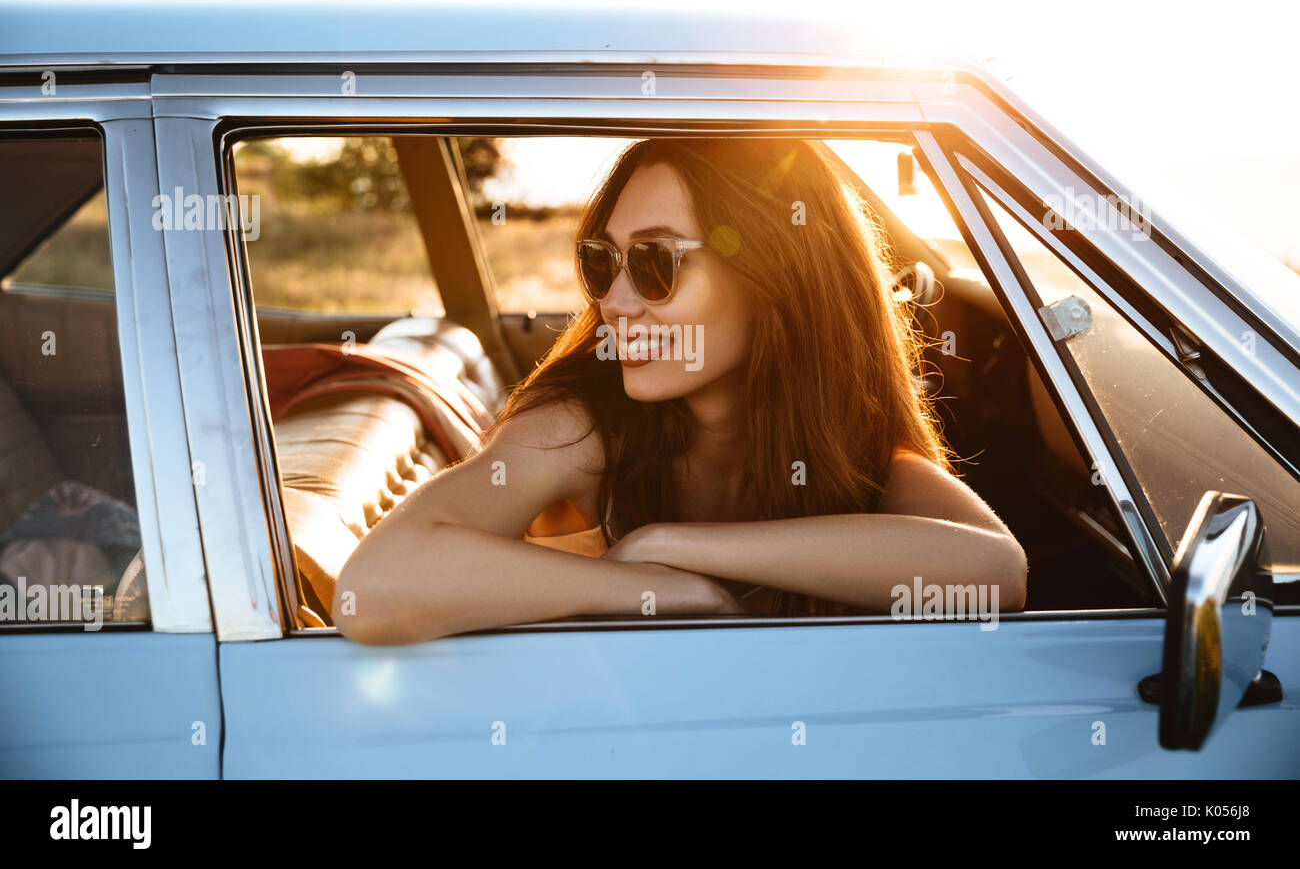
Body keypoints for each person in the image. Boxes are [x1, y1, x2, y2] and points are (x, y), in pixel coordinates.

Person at [334, 137, 1027, 644]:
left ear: (774, 276)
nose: (616, 302)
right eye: (602, 262)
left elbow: (996, 573)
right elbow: (374, 588)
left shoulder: (844, 440)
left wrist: (676, 545)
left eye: (655, 262)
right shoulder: (580, 425)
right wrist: (662, 589)